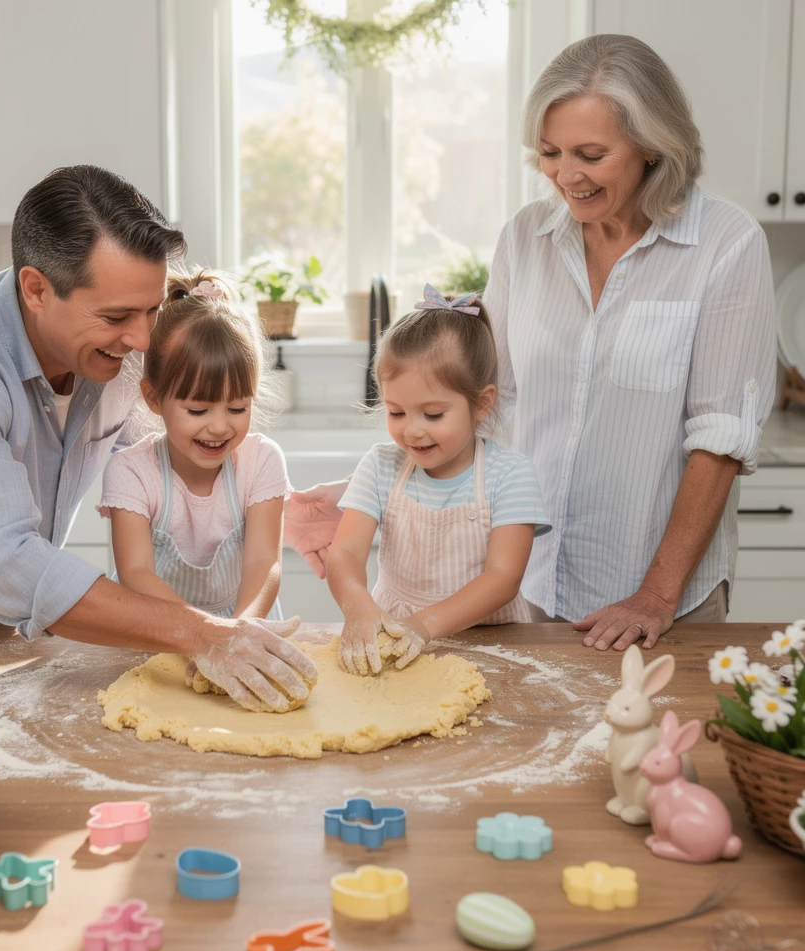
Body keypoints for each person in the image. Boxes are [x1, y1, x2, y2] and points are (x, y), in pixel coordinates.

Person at [0, 165, 315, 711]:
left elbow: (158, 464)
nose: (142, 338)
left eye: (152, 309)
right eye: (118, 315)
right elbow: (10, 567)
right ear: (36, 289)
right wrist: (205, 634)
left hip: (4, 628)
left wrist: (273, 503)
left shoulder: (116, 347)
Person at [481, 34, 777, 652]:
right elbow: (485, 401)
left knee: (654, 749)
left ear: (651, 146)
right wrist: (379, 487)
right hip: (528, 581)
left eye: (591, 153)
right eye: (550, 152)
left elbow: (720, 439)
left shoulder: (726, 243)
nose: (567, 175)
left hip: (664, 603)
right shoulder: (525, 238)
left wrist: (656, 595)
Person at [326, 286, 551, 675]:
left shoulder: (510, 476)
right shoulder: (380, 467)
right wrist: (359, 605)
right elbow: (344, 554)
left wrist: (424, 626)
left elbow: (503, 578)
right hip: (395, 636)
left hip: (493, 647)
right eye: (396, 412)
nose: (412, 431)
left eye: (432, 415)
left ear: (482, 403)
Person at [98, 267, 288, 621]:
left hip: (246, 619)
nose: (219, 427)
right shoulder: (131, 472)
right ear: (154, 398)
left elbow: (265, 562)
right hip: (160, 626)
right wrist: (209, 635)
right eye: (198, 409)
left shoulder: (261, 461)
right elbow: (136, 573)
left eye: (237, 407)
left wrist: (241, 629)